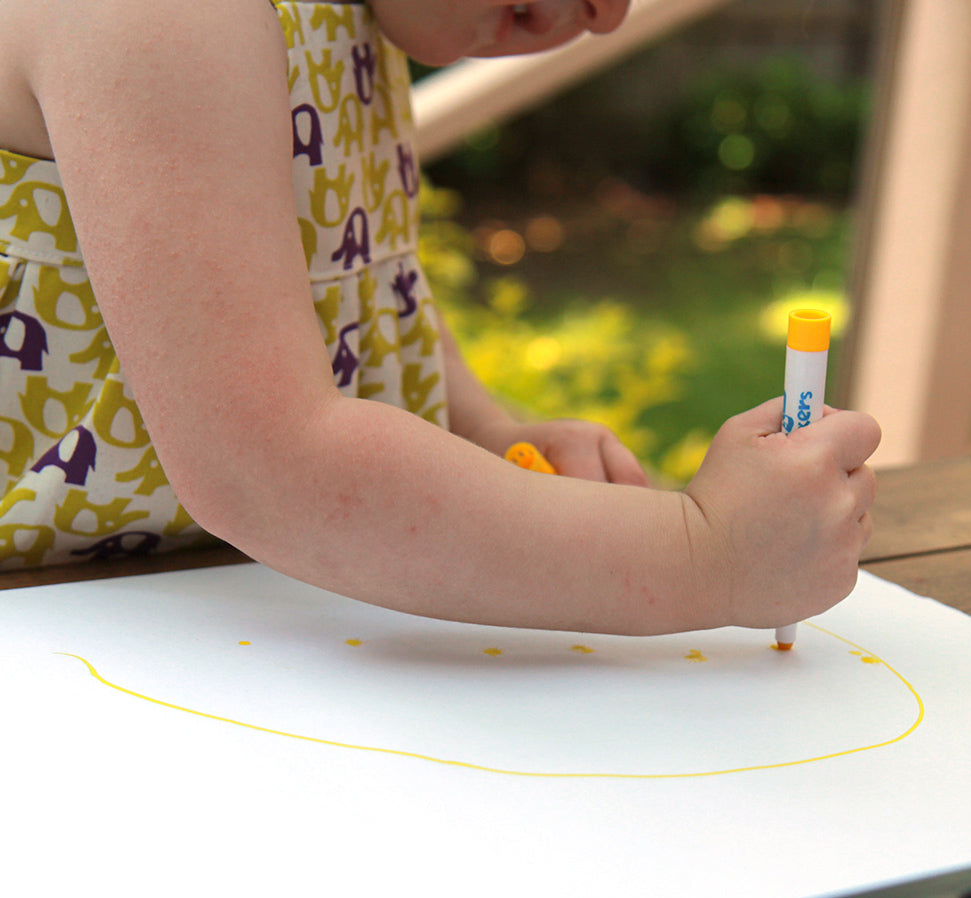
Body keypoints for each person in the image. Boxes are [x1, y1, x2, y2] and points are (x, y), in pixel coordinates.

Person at [0, 0, 880, 635]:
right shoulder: (157, 16)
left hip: (206, 609)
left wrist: (486, 430)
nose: (608, 13)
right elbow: (268, 466)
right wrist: (704, 558)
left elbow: (357, 278)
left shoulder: (352, 16)